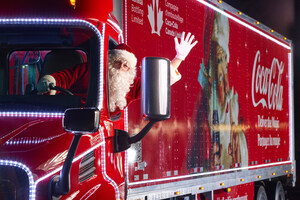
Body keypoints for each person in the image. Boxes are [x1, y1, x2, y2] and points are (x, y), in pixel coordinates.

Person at [37, 32, 198, 115]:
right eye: (117, 62)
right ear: (108, 61)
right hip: (74, 121)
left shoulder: (130, 85)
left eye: (126, 65)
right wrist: (49, 80)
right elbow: (62, 79)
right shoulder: (88, 70)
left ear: (130, 69)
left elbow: (156, 83)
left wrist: (179, 58)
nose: (121, 66)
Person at [187, 10, 248, 172]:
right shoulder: (203, 113)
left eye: (224, 63)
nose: (225, 82)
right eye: (220, 79)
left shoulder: (233, 109)